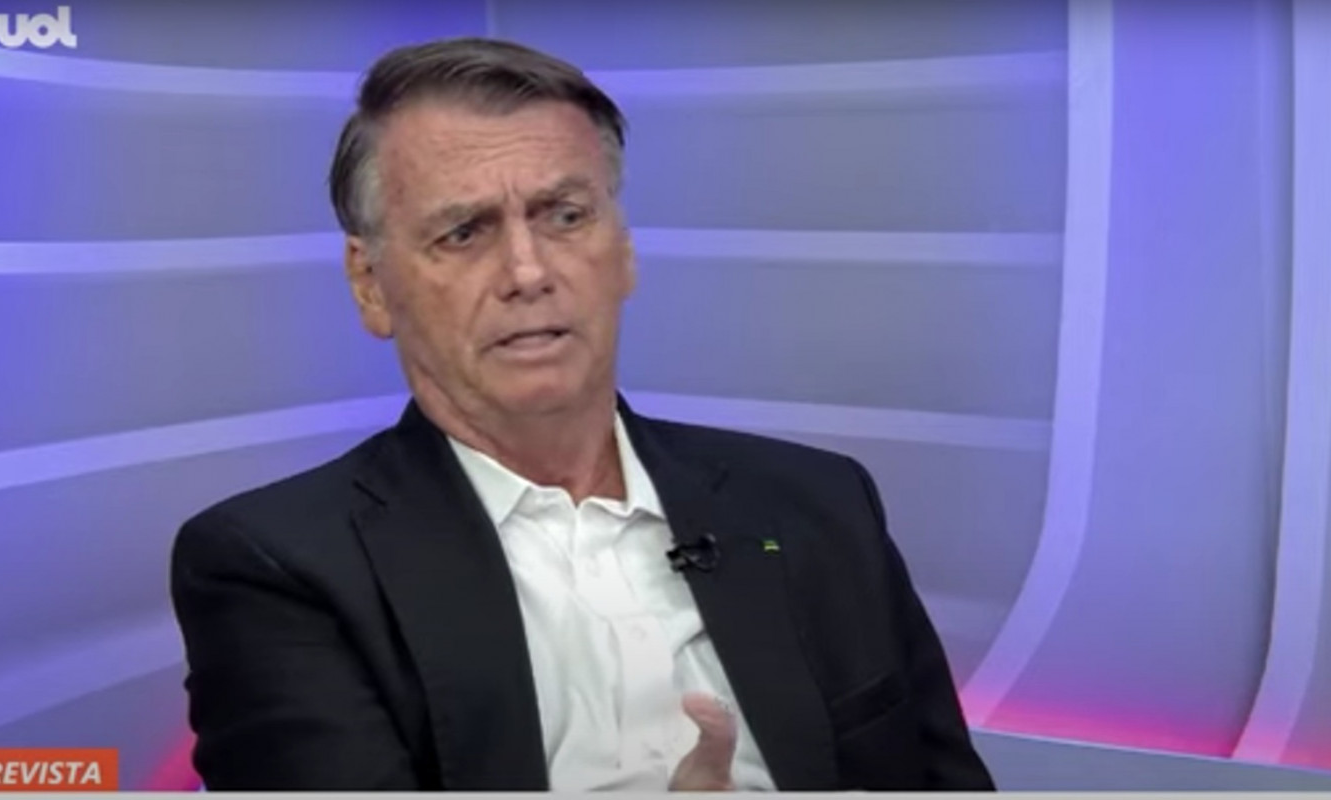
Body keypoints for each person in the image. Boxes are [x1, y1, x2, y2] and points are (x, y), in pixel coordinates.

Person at [169, 36, 994, 792]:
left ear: (622, 250)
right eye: (464, 232)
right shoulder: (276, 568)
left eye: (565, 216)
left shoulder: (820, 505)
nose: (528, 272)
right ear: (370, 284)